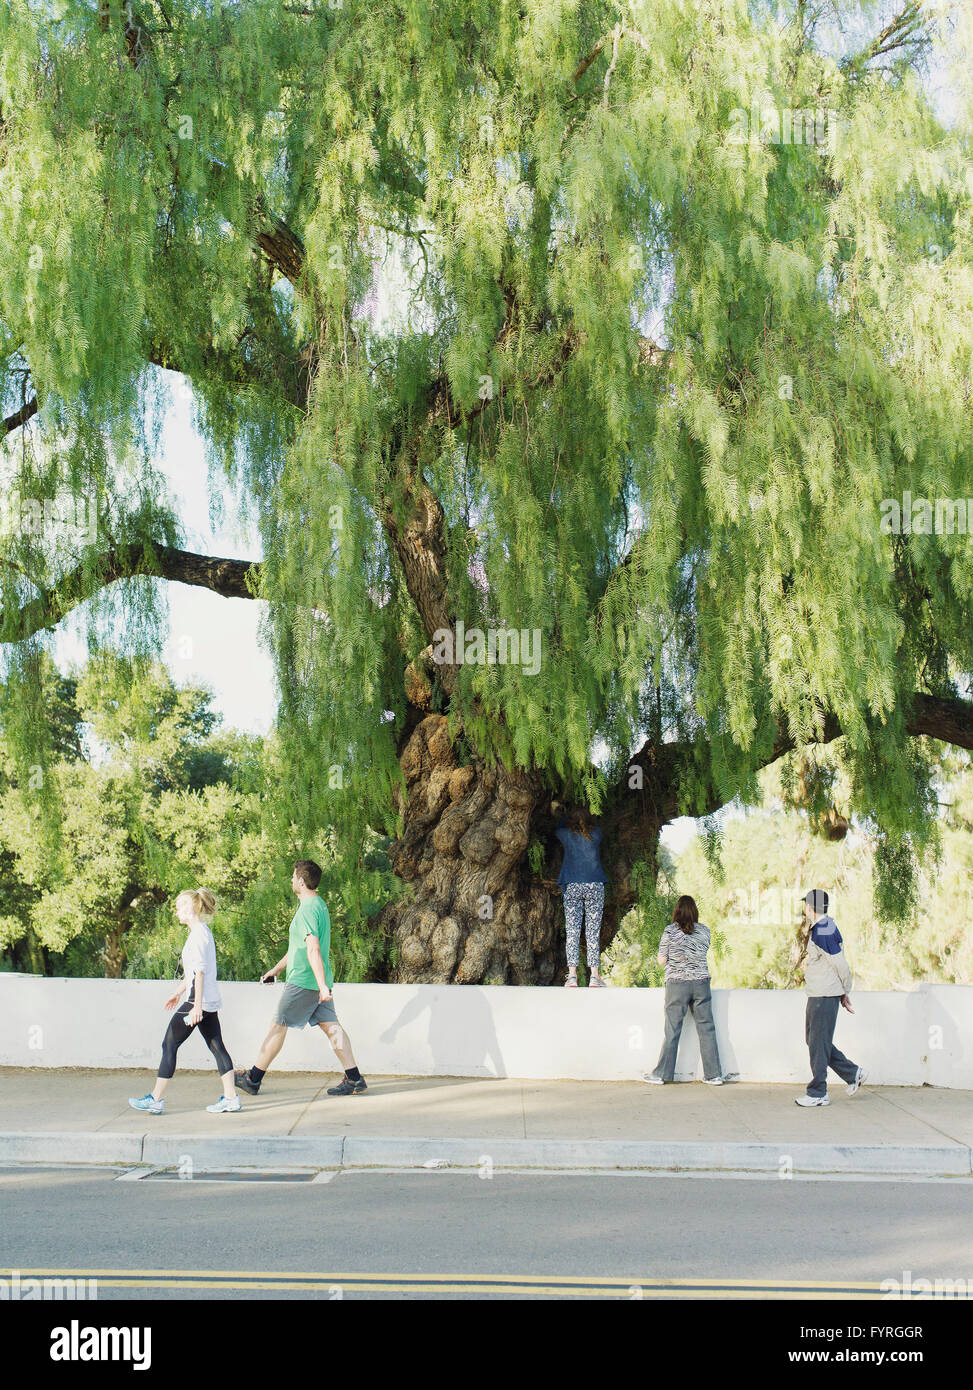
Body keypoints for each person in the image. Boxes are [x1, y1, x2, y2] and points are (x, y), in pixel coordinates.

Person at [235, 859, 367, 1097]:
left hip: (305, 983)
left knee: (278, 1026)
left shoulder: (307, 909)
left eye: (294, 877)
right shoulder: (318, 905)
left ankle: (252, 1079)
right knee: (333, 1027)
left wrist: (320, 987)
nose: (292, 880)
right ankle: (355, 1078)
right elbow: (298, 947)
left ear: (302, 881)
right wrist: (275, 970)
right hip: (317, 982)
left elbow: (313, 949)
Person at [129, 889, 240, 1114]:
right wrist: (178, 992)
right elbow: (193, 973)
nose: (177, 912)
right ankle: (231, 1098)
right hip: (206, 1001)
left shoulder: (199, 935)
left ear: (190, 909)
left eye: (179, 907)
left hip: (198, 1003)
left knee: (169, 1044)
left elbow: (199, 972)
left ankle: (156, 1099)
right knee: (217, 1046)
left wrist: (196, 1006)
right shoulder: (201, 932)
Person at [642, 895, 724, 1085]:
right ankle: (714, 1075)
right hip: (701, 984)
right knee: (707, 1029)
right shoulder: (705, 931)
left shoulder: (670, 931)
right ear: (695, 911)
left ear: (677, 912)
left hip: (677, 984)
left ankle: (662, 1074)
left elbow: (661, 961)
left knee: (672, 1029)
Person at [796, 888, 865, 1107]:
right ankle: (853, 1073)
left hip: (824, 994)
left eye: (805, 905)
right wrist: (843, 991)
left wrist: (846, 990)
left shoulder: (824, 929)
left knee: (817, 1042)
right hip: (821, 992)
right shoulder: (824, 927)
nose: (804, 910)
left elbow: (840, 964)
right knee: (815, 1041)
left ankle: (818, 1093)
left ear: (809, 907)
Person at [555, 806, 609, 987]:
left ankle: (572, 976)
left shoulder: (565, 835)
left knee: (572, 932)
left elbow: (558, 827)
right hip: (594, 885)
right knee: (592, 932)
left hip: (573, 885)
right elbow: (598, 824)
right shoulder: (597, 834)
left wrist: (563, 815)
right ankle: (594, 976)